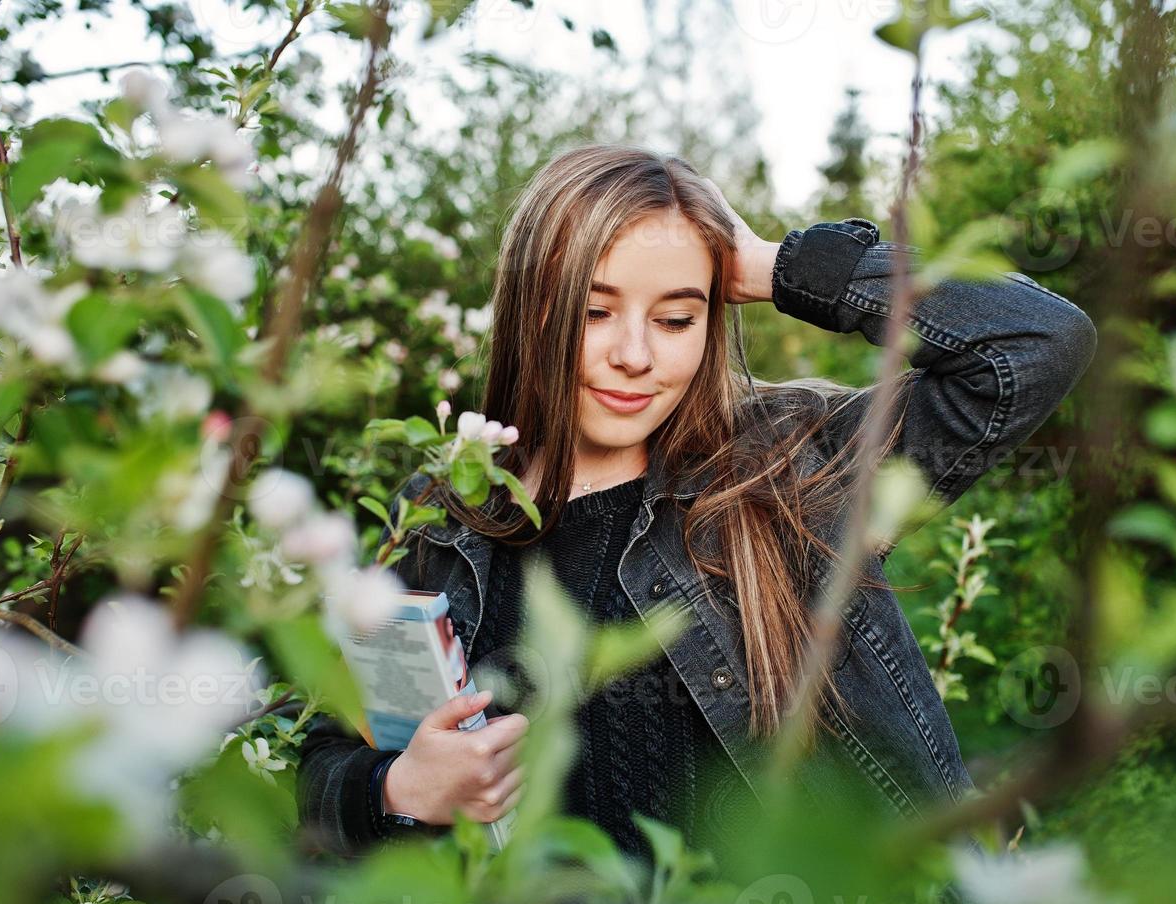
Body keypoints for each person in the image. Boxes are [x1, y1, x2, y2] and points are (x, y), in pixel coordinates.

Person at [296, 142, 1098, 863]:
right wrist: (396, 792)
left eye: (677, 316)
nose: (635, 356)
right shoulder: (440, 518)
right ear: (532, 309)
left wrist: (772, 265)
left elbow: (1034, 343)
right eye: (594, 311)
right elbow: (320, 756)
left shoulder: (792, 468)